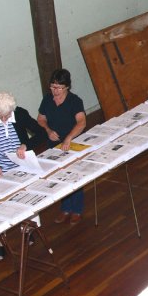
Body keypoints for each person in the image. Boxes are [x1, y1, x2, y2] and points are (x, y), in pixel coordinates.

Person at [0, 91, 46, 260]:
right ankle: (2, 243)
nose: (3, 119)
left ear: (12, 110)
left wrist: (26, 144)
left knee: (27, 199)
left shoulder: (20, 114)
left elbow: (40, 133)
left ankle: (29, 230)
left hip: (20, 166)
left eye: (7, 115)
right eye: (0, 116)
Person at [38, 69, 87, 225]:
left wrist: (68, 138)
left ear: (67, 87)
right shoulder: (47, 99)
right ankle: (65, 208)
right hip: (54, 144)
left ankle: (77, 210)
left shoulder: (74, 101)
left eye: (58, 87)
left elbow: (81, 122)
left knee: (75, 177)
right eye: (52, 87)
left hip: (71, 143)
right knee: (60, 177)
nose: (55, 91)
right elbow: (40, 119)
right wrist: (48, 130)